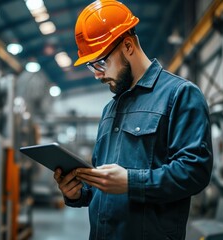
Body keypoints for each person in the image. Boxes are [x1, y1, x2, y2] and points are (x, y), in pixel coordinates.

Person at [53, 1, 213, 239]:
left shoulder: (180, 94)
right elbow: (104, 185)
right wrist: (78, 192)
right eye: (91, 66)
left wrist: (130, 182)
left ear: (128, 46)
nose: (97, 74)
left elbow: (194, 172)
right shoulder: (110, 109)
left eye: (101, 62)